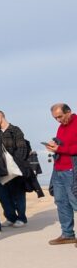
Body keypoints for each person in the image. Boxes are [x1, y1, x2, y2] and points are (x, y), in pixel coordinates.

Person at [0, 109, 30, 226]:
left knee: (18, 194)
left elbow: (22, 149)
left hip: (15, 169)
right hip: (0, 170)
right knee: (2, 195)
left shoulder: (15, 130)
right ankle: (11, 217)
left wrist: (15, 165)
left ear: (0, 115)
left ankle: (21, 218)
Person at [46, 103, 77, 245]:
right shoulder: (61, 127)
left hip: (72, 170)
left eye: (60, 116)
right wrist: (54, 146)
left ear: (69, 111)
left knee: (75, 202)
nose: (58, 120)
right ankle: (68, 234)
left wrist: (60, 148)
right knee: (61, 202)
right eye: (55, 118)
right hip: (58, 170)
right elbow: (63, 146)